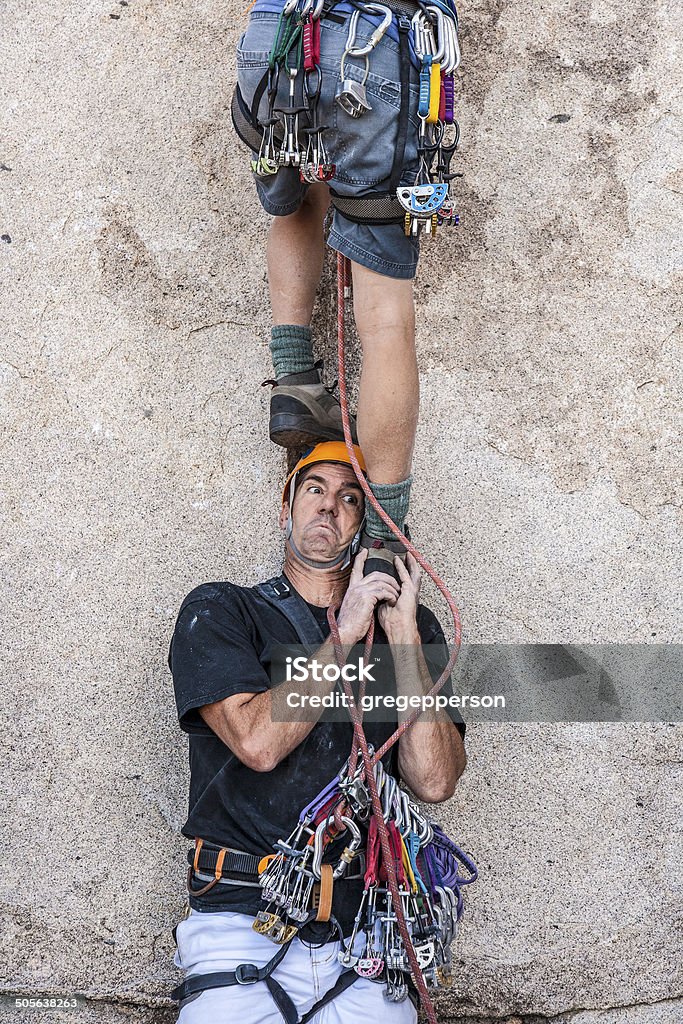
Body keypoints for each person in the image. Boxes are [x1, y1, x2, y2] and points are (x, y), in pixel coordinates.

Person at [169, 442, 467, 1022]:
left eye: (349, 498)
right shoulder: (223, 612)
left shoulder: (407, 632)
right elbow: (258, 744)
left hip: (370, 929)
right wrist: (346, 631)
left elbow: (433, 780)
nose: (329, 508)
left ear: (361, 524)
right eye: (315, 490)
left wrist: (401, 633)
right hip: (243, 918)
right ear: (287, 504)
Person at [233, 0, 441, 576]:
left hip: (276, 40)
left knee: (303, 177)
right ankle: (385, 538)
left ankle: (294, 376)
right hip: (371, 55)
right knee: (385, 319)